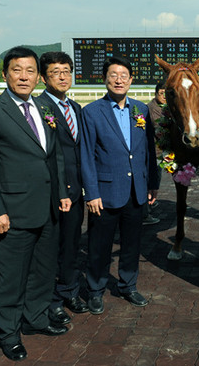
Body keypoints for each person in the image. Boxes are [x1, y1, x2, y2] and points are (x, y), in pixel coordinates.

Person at [0, 46, 71, 361]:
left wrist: (62, 194)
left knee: (43, 272)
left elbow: (52, 156)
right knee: (10, 276)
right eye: (17, 70)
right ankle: (8, 334)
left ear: (38, 76)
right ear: (5, 74)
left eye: (30, 71)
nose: (24, 76)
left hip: (48, 208)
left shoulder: (44, 109)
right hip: (12, 212)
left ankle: (36, 318)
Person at [80, 56, 159, 315]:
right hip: (104, 193)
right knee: (99, 246)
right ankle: (95, 290)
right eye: (113, 74)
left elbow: (148, 150)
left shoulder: (141, 110)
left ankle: (128, 285)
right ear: (105, 79)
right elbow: (87, 156)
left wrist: (152, 184)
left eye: (124, 75)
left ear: (131, 80)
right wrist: (91, 193)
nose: (118, 79)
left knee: (132, 244)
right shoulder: (91, 112)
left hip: (136, 191)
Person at [38, 52, 89, 326]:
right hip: (52, 193)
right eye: (56, 71)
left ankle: (69, 291)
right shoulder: (38, 107)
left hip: (76, 192)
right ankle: (52, 301)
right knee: (52, 249)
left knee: (71, 245)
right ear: (44, 77)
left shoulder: (77, 108)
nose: (62, 76)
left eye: (67, 71)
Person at [143, 81, 166, 225]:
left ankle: (150, 203)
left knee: (155, 179)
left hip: (159, 152)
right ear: (156, 94)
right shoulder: (152, 108)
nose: (164, 97)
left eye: (166, 94)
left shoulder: (164, 107)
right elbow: (160, 130)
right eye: (161, 94)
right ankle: (145, 213)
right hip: (154, 152)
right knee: (151, 180)